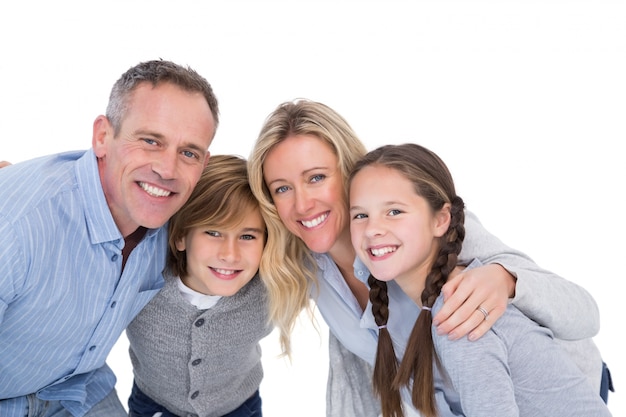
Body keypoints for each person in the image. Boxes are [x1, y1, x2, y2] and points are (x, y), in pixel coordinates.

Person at [247, 99, 606, 416]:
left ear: (350, 172)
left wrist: (507, 280)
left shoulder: (423, 230)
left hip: (558, 391)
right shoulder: (301, 264)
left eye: (316, 177)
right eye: (282, 188)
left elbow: (584, 313)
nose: (302, 203)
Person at [0, 59, 220, 417]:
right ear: (102, 136)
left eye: (188, 153)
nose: (167, 169)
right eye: (151, 140)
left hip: (79, 393)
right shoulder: (15, 228)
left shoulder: (178, 219)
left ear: (203, 164)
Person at [349, 142, 611, 417]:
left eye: (394, 212)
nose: (373, 228)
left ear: (440, 220)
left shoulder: (461, 314)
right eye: (360, 215)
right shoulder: (442, 299)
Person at [126, 154, 272, 417]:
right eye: (213, 232)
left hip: (239, 406)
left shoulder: (271, 285)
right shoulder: (142, 278)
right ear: (181, 235)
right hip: (155, 406)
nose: (230, 254)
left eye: (248, 236)